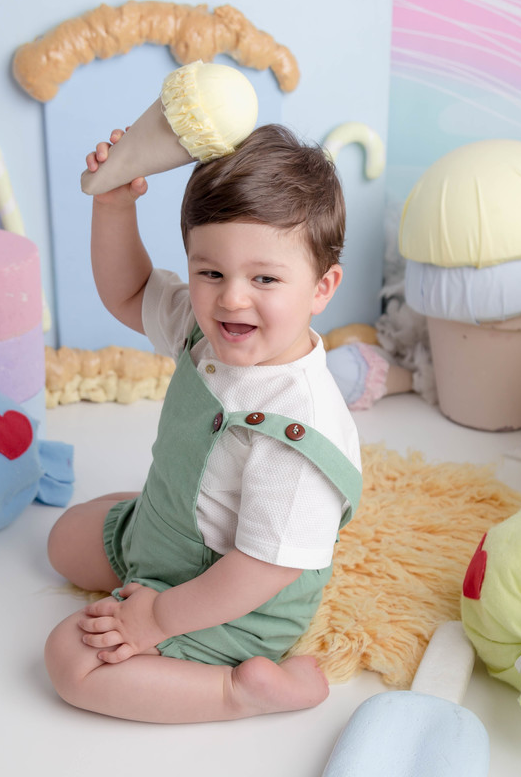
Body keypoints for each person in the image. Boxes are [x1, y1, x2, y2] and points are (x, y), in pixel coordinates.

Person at [45, 123, 363, 723]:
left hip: (238, 596)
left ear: (322, 288)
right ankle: (155, 545)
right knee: (63, 540)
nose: (231, 299)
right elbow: (130, 291)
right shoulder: (206, 333)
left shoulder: (301, 428)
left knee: (72, 660)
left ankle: (239, 692)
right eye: (211, 273)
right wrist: (112, 207)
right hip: (167, 540)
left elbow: (264, 568)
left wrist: (154, 619)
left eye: (264, 279)